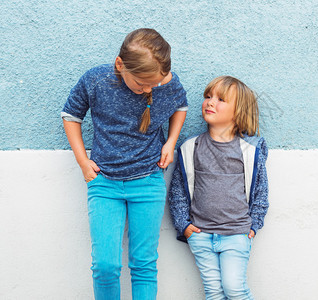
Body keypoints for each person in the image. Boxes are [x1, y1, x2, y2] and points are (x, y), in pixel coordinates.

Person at [61, 28, 188, 300]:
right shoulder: (97, 80)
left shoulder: (166, 82)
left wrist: (170, 143)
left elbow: (181, 105)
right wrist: (83, 162)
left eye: (153, 84)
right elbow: (71, 115)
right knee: (105, 265)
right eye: (141, 83)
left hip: (148, 182)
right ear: (120, 64)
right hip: (104, 182)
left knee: (143, 264)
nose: (147, 90)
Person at [168, 76, 269, 300]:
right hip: (201, 235)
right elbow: (178, 192)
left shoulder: (249, 150)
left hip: (236, 233)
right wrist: (184, 224)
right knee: (214, 292)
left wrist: (254, 224)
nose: (210, 102)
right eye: (208, 96)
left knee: (234, 289)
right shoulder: (190, 147)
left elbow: (261, 191)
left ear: (239, 111)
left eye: (221, 99)